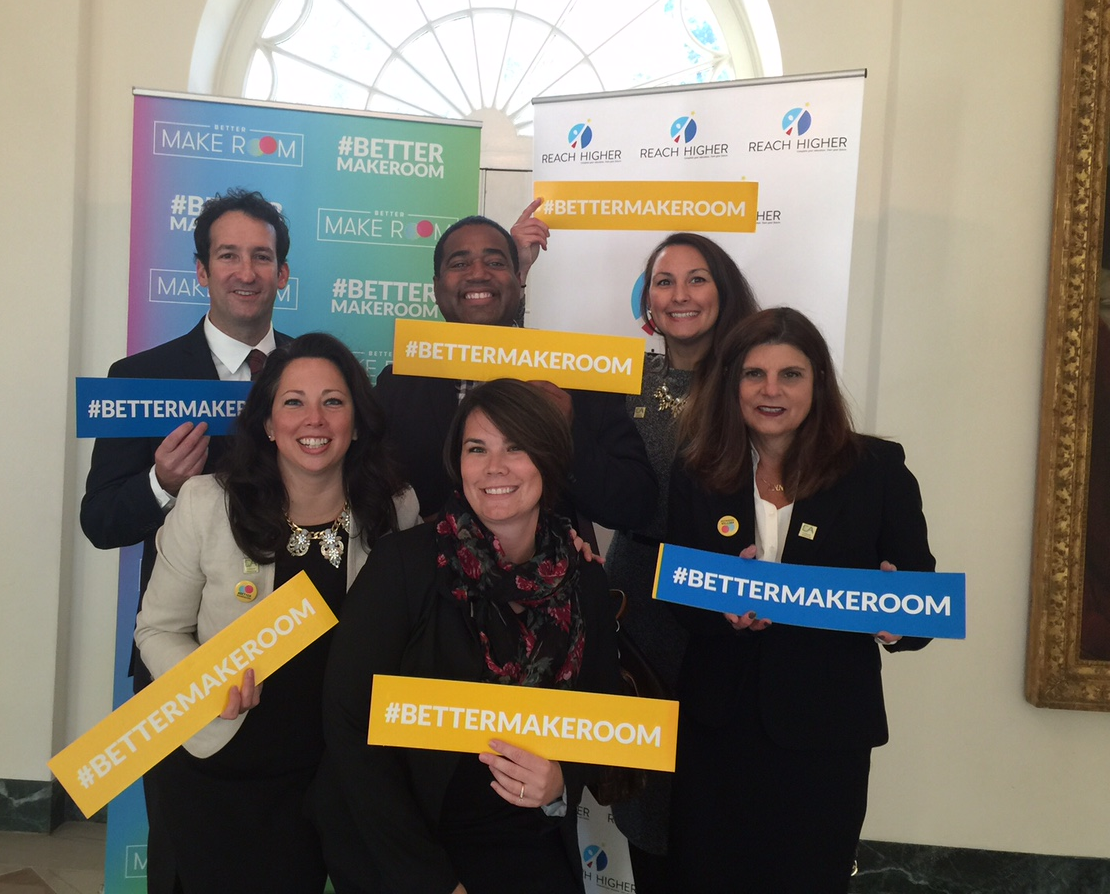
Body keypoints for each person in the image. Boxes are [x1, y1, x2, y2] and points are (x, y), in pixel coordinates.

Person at [133, 332, 420, 893]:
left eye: (333, 401)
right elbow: (158, 629)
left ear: (357, 422)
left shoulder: (395, 508)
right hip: (227, 766)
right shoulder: (205, 503)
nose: (314, 418)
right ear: (268, 423)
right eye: (293, 401)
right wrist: (205, 681)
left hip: (342, 771)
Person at [312, 379, 621, 894]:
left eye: (516, 447)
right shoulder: (406, 564)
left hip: (532, 843)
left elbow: (602, 711)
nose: (495, 467)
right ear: (458, 464)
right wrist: (432, 882)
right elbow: (350, 723)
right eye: (477, 448)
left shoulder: (582, 575)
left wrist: (563, 776)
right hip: (410, 852)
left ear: (549, 458)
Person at [663, 307, 935, 893]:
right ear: (731, 383)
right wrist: (720, 610)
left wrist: (892, 616)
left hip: (826, 736)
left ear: (818, 383)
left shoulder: (878, 470)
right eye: (753, 374)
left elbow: (921, 612)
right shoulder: (696, 470)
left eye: (791, 374)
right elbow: (678, 600)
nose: (770, 390)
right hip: (717, 731)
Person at [79, 187, 293, 891]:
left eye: (261, 256)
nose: (245, 271)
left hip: (298, 659)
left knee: (290, 858)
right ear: (201, 271)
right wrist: (161, 485)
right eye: (227, 255)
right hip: (185, 662)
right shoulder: (138, 379)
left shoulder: (315, 378)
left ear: (283, 274)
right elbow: (101, 521)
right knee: (185, 862)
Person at [600, 233, 758, 890]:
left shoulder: (759, 378)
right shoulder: (614, 377)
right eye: (665, 281)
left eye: (697, 279)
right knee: (647, 802)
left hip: (729, 605)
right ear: (648, 300)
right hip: (638, 603)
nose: (681, 294)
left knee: (721, 798)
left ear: (723, 292)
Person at [375, 214, 655, 532]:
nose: (478, 274)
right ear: (437, 287)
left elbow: (636, 507)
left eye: (495, 262)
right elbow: (363, 492)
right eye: (459, 264)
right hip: (421, 575)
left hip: (550, 578)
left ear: (518, 278)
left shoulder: (578, 375)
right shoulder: (397, 385)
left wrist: (568, 433)